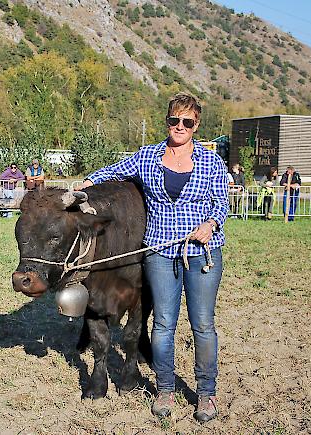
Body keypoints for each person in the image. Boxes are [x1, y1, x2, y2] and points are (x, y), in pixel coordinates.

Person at [78, 93, 228, 423]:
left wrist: (211, 223)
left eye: (187, 122)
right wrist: (88, 182)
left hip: (202, 252)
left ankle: (206, 394)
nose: (180, 127)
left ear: (196, 125)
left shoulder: (211, 162)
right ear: (167, 121)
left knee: (203, 325)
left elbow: (221, 202)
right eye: (174, 120)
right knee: (162, 325)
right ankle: (165, 388)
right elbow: (115, 170)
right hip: (160, 252)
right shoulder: (148, 157)